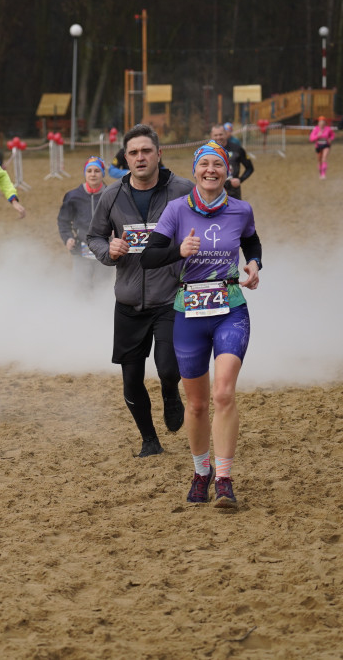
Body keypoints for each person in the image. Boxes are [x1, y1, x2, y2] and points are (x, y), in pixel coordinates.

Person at [140, 141, 262, 508]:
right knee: (195, 405)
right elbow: (148, 258)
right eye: (204, 164)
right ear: (195, 171)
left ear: (227, 171)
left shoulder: (241, 210)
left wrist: (254, 265)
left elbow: (252, 243)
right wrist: (178, 251)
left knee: (223, 393)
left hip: (230, 308)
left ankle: (224, 478)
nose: (211, 170)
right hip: (189, 311)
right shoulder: (176, 210)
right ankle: (201, 471)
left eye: (218, 165)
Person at [86, 124, 191, 457]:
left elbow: (209, 222)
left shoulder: (182, 190)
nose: (140, 157)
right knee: (131, 380)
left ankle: (171, 393)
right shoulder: (111, 196)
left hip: (170, 297)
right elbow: (94, 237)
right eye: (133, 153)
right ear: (125, 158)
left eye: (147, 151)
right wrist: (108, 250)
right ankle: (149, 440)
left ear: (159, 154)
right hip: (128, 301)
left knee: (168, 367)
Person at [57, 156, 110, 287]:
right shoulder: (73, 196)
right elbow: (63, 221)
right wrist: (68, 238)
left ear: (102, 173)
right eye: (89, 171)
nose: (93, 174)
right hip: (81, 249)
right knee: (81, 287)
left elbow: (121, 219)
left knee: (103, 287)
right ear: (85, 173)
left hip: (106, 249)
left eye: (97, 171)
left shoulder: (111, 195)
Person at [211, 124, 253, 199]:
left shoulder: (237, 149)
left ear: (226, 134)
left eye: (221, 134)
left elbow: (250, 168)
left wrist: (240, 180)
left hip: (233, 192)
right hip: (213, 191)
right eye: (215, 135)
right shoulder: (206, 151)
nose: (218, 137)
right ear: (212, 136)